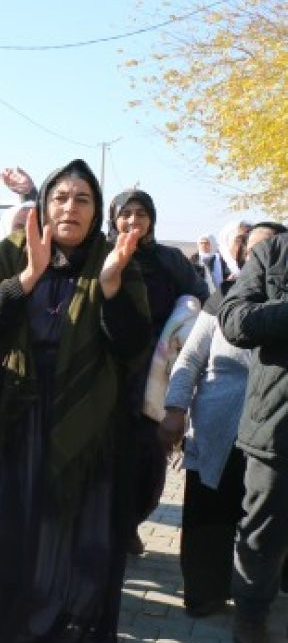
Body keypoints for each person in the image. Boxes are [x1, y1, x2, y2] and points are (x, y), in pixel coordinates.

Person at [0, 159, 151, 643]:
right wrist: (26, 279)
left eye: (82, 199)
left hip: (81, 425)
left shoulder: (114, 262)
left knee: (62, 539)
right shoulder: (13, 251)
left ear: (95, 211)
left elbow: (132, 347)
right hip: (12, 417)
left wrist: (109, 288)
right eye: (60, 197)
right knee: (5, 530)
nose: (69, 207)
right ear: (43, 204)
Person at [160, 223, 286, 619]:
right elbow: (190, 359)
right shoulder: (224, 299)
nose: (256, 256)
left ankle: (256, 591)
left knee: (259, 517)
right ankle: (205, 591)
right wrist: (175, 410)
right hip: (217, 426)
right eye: (250, 248)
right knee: (209, 511)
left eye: (267, 248)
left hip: (273, 428)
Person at [106, 189, 209, 556]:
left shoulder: (169, 261)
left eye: (141, 213)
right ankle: (109, 529)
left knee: (148, 461)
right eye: (125, 214)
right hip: (108, 373)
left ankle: (132, 520)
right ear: (113, 218)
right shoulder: (101, 256)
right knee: (107, 458)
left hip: (155, 375)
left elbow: (201, 304)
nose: (133, 221)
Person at [217, 224, 288, 643]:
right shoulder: (272, 254)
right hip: (277, 422)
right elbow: (234, 320)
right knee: (264, 525)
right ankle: (251, 612)